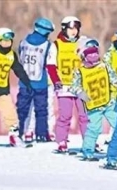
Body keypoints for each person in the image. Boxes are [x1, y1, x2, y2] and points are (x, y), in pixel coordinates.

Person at [69, 37, 117, 160]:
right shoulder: (80, 71)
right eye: (90, 55)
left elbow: (115, 79)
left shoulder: (104, 66)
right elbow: (74, 85)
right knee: (94, 129)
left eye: (95, 54)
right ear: (84, 57)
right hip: (93, 106)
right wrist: (80, 93)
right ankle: (88, 150)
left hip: (109, 102)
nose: (94, 58)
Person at [46, 16, 88, 153]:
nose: (73, 31)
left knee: (85, 115)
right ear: (64, 29)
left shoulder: (82, 43)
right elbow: (51, 65)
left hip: (81, 86)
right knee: (65, 115)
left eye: (76, 28)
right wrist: (56, 81)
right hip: (64, 86)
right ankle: (61, 141)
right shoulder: (56, 44)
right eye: (70, 28)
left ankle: (89, 142)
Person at [17, 17, 55, 142]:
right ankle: (41, 135)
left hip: (24, 83)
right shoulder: (48, 45)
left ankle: (19, 133)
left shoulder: (23, 42)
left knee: (22, 110)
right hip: (40, 83)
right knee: (41, 110)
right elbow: (50, 64)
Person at [0, 27, 32, 147]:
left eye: (9, 40)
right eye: (4, 40)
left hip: (3, 90)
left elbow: (18, 69)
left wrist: (26, 82)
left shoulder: (11, 55)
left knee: (10, 113)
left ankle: (14, 137)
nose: (7, 42)